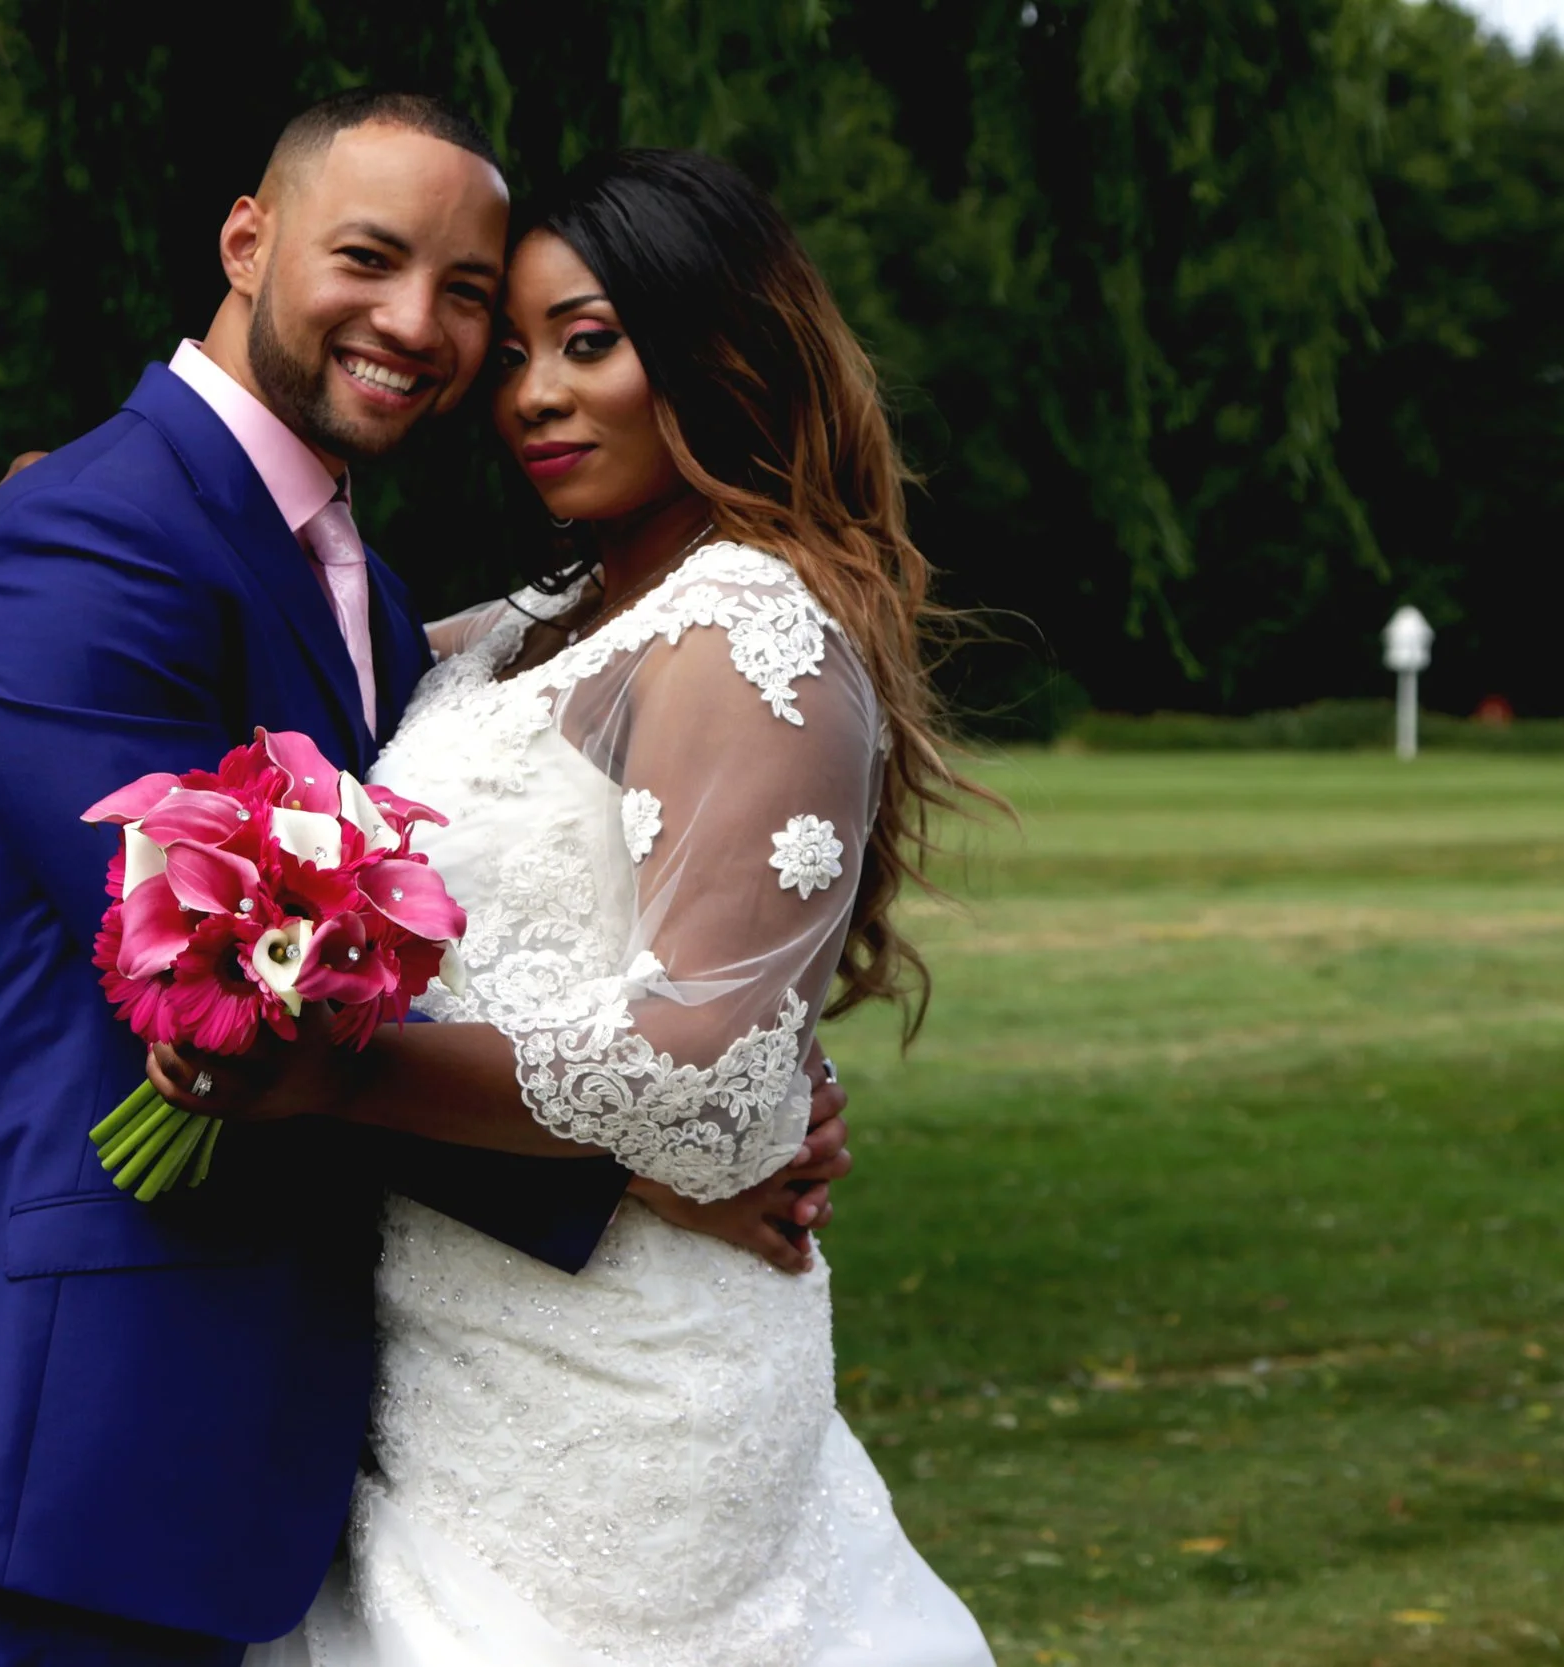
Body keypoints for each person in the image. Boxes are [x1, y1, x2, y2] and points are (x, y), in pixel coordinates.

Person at [0, 96, 849, 1667]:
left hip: (365, 1422)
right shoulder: (80, 539)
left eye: (465, 291)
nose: (416, 323)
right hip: (122, 1413)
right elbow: (212, 989)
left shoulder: (371, 583)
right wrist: (650, 1152)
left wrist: (716, 1066)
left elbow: (437, 944)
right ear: (247, 240)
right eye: (368, 257)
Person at [168, 148, 997, 1665]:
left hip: (623, 1392)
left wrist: (327, 1071)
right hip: (454, 1356)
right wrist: (109, 493)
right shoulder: (539, 625)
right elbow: (286, 639)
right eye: (515, 355)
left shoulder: (742, 629)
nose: (534, 395)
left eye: (589, 342)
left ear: (717, 351)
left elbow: (703, 1084)